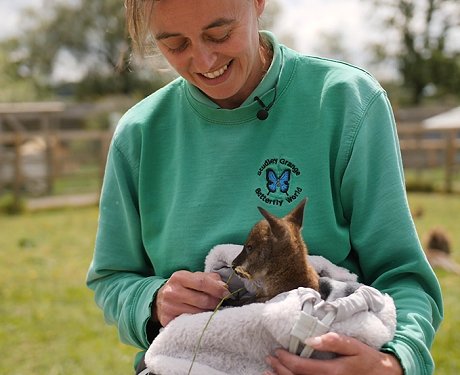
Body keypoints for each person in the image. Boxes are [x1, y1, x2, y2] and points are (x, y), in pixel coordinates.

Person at [86, 0, 443, 374]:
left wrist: (394, 362)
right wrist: (153, 301)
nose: (205, 61)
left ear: (258, 4)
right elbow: (113, 278)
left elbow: (403, 275)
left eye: (220, 34)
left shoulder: (346, 102)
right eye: (175, 44)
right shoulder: (140, 134)